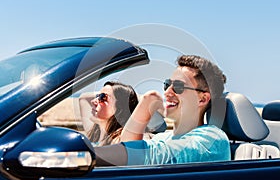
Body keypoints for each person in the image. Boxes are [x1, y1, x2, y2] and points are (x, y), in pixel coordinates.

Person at [94, 55, 231, 166]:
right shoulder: (164, 137)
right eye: (167, 85)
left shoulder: (212, 139)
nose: (167, 92)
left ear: (202, 99)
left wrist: (82, 156)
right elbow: (129, 156)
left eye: (178, 86)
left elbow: (141, 157)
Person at [80, 81, 139, 146]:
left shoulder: (121, 140)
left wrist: (128, 96)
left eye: (102, 97)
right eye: (97, 96)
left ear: (120, 106)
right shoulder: (95, 133)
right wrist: (103, 93)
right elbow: (83, 97)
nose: (93, 101)